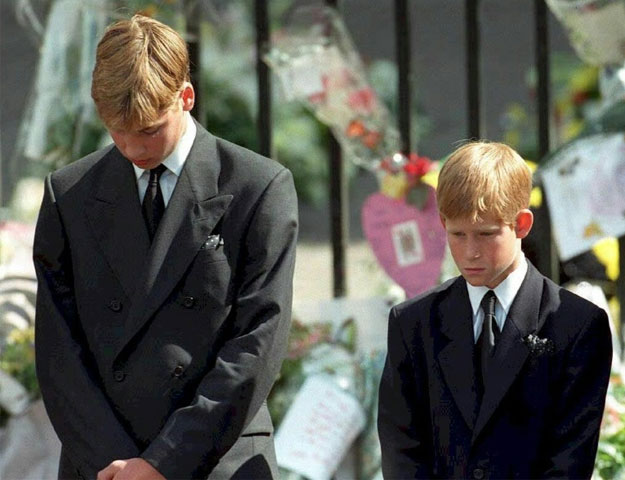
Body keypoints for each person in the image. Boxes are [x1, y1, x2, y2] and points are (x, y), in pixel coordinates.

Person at [33, 14, 298, 480]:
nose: (134, 147)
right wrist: (116, 464)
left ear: (186, 98)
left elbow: (257, 342)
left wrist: (163, 462)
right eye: (118, 130)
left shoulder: (259, 188)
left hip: (216, 459)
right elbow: (58, 351)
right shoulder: (68, 194)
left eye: (150, 129)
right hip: (103, 465)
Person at [377, 141, 612, 479]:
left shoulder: (576, 325)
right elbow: (402, 450)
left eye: (486, 234)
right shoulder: (412, 324)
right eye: (457, 234)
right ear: (442, 222)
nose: (470, 251)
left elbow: (570, 459)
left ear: (522, 225)